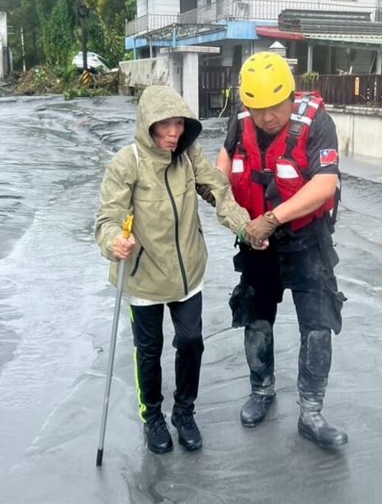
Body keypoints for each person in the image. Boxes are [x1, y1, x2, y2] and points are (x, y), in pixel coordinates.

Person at [95, 86, 258, 455]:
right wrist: (113, 242)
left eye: (179, 124)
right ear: (147, 125)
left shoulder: (189, 157)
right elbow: (109, 217)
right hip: (143, 278)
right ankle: (152, 416)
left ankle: (184, 412)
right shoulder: (128, 162)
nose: (172, 133)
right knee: (148, 350)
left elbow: (218, 191)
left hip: (188, 274)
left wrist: (245, 228)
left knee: (190, 342)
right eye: (164, 125)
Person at [216, 52, 348, 449]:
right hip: (257, 244)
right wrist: (238, 218)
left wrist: (272, 219)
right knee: (256, 319)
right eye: (257, 109)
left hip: (306, 241)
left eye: (274, 107)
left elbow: (325, 184)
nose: (267, 117)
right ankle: (262, 390)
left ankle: (311, 412)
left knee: (318, 326)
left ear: (291, 97)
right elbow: (222, 166)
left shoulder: (318, 123)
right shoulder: (240, 122)